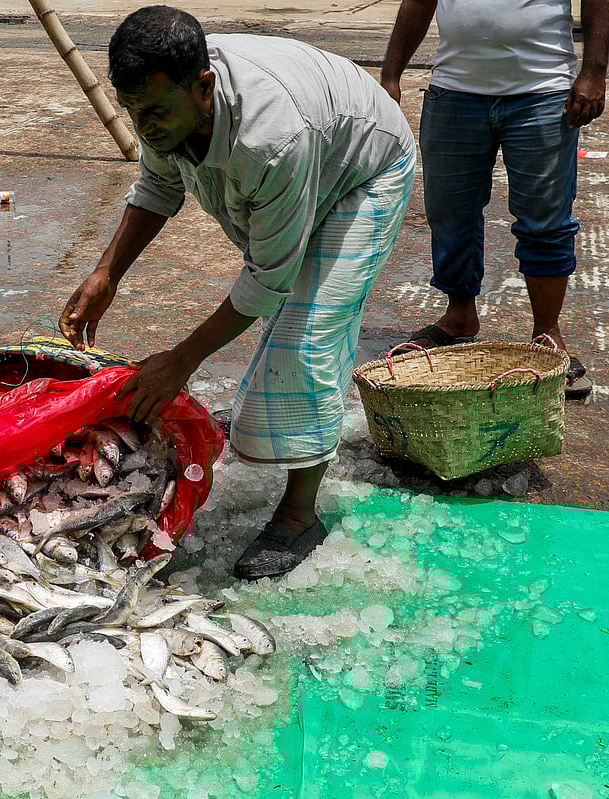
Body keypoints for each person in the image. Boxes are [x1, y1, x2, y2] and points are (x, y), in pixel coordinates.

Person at [60, 6, 416, 580]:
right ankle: (267, 414)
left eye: (153, 113)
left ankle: (300, 516)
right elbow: (157, 182)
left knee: (309, 332)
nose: (144, 126)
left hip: (366, 170)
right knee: (291, 309)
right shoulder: (168, 98)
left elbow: (268, 278)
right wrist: (108, 273)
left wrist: (180, 361)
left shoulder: (272, 138)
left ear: (204, 88)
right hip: (317, 150)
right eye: (133, 113)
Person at [380, 0, 605, 399]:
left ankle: (547, 332)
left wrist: (594, 72)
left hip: (543, 94)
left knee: (545, 220)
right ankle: (459, 316)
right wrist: (391, 74)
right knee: (450, 212)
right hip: (453, 93)